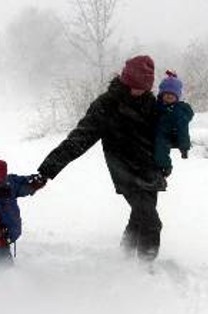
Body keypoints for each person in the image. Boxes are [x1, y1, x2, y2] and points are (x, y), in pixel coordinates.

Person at [38, 55, 167, 261]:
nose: (139, 91)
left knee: (140, 215)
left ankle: (125, 254)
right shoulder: (107, 105)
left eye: (144, 87)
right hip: (122, 168)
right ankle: (145, 269)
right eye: (136, 86)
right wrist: (48, 168)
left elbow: (162, 136)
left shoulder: (150, 103)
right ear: (126, 80)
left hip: (148, 167)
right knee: (151, 221)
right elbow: (79, 139)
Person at [154, 70, 194, 176]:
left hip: (170, 135)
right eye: (166, 94)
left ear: (177, 97)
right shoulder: (156, 106)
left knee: (160, 146)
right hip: (156, 132)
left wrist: (184, 147)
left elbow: (183, 128)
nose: (169, 96)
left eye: (172, 95)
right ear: (161, 94)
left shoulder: (178, 110)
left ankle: (165, 167)